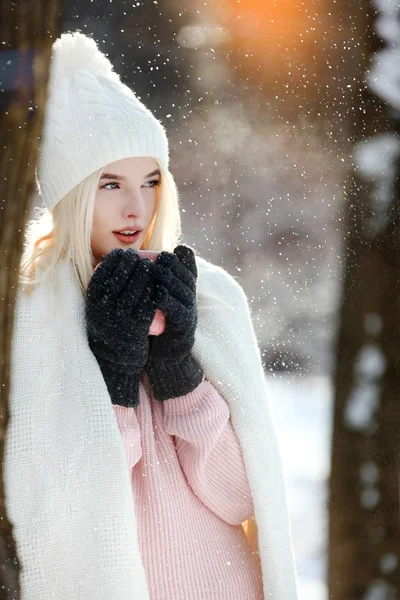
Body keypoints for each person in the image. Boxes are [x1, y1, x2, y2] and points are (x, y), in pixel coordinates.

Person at [4, 31, 298, 600]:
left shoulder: (205, 295)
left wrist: (177, 371)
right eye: (110, 184)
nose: (136, 207)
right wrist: (114, 379)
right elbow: (63, 512)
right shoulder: (32, 312)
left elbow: (240, 496)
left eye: (150, 181)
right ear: (71, 193)